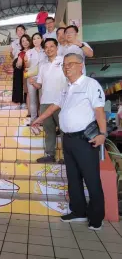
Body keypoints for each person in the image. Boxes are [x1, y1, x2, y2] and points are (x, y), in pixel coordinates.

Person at [32, 53, 106, 230]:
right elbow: (54, 106)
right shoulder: (66, 87)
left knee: (91, 178)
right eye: (64, 65)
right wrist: (38, 119)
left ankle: (96, 217)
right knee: (73, 178)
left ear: (81, 65)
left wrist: (103, 133)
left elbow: (99, 111)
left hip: (85, 140)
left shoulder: (90, 84)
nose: (67, 67)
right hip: (68, 139)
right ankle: (78, 211)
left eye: (71, 64)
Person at [30, 38, 68, 163]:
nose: (49, 49)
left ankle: (66, 156)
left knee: (64, 130)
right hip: (45, 101)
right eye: (46, 47)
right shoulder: (43, 66)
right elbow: (40, 85)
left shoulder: (64, 61)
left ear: (57, 47)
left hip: (62, 101)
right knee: (49, 129)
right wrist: (33, 83)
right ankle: (50, 155)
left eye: (52, 46)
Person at [24, 32, 46, 123]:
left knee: (42, 99)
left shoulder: (45, 51)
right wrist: (26, 62)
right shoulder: (29, 52)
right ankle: (33, 119)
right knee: (33, 99)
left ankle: (41, 119)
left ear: (41, 39)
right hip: (32, 78)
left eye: (38, 38)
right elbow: (27, 66)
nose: (36, 40)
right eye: (34, 39)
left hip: (43, 78)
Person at [11, 25, 26, 104]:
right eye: (18, 30)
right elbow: (12, 55)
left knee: (26, 82)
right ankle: (17, 99)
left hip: (26, 61)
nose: (20, 31)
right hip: (17, 61)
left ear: (24, 31)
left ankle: (27, 99)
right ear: (16, 32)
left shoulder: (27, 40)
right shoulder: (14, 43)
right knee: (17, 81)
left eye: (21, 30)